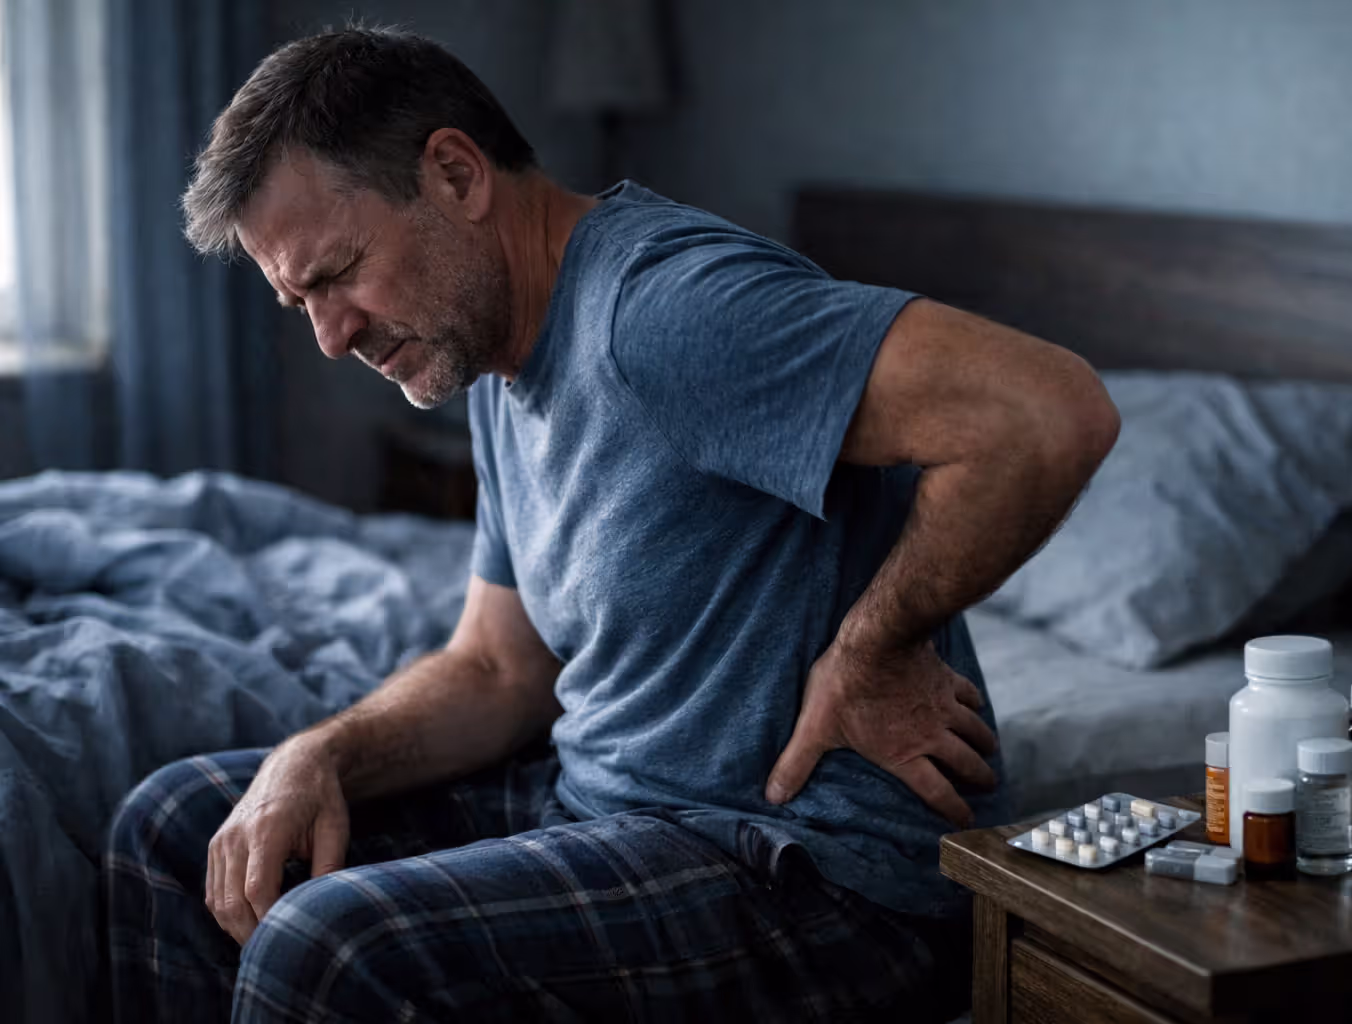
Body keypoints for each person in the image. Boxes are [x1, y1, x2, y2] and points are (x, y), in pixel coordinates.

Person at [105, 25, 1119, 1024]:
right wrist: (312, 756)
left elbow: (1043, 413)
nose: (329, 338)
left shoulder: (665, 313)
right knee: (176, 828)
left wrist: (875, 646)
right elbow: (500, 670)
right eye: (298, 301)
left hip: (819, 875)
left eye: (335, 275)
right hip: (612, 811)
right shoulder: (497, 354)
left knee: (330, 950)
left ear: (457, 176)